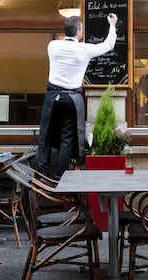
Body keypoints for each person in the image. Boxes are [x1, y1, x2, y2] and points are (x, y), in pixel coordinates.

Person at [38, 13, 118, 179]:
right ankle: (59, 176)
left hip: (52, 96)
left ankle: (43, 173)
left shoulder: (52, 45)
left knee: (45, 134)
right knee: (67, 138)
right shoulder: (84, 49)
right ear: (78, 31)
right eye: (81, 29)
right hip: (71, 99)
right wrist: (112, 24)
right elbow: (108, 45)